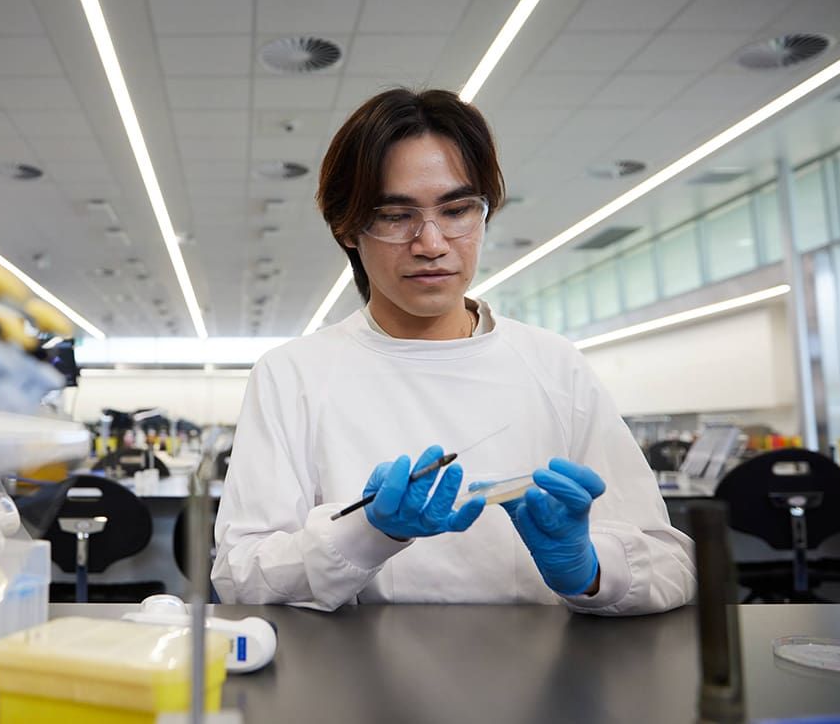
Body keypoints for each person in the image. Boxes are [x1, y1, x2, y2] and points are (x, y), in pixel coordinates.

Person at [212, 88, 696, 614]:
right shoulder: (292, 375)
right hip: (355, 684)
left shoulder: (555, 366)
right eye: (396, 216)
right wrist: (364, 533)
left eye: (458, 209)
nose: (432, 243)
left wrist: (589, 567)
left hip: (544, 681)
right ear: (347, 228)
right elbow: (240, 575)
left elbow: (671, 563)